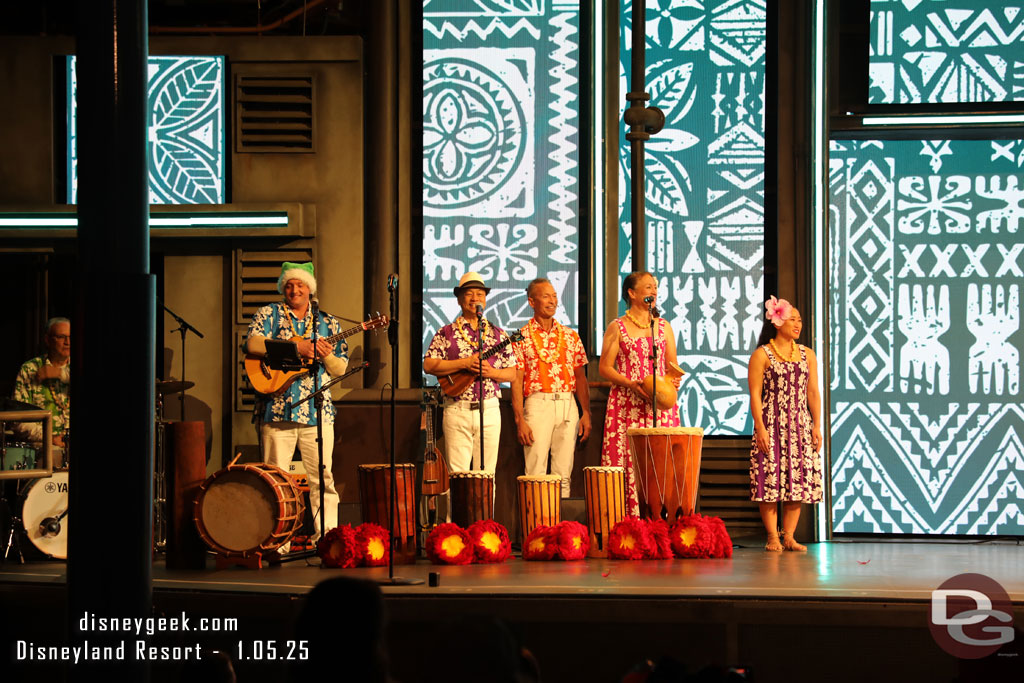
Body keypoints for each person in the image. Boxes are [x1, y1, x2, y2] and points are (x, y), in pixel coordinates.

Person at [245, 262, 348, 541]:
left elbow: (340, 369)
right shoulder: (270, 313)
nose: (294, 290)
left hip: (318, 414)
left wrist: (324, 354)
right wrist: (297, 347)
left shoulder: (328, 322)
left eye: (300, 284)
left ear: (310, 288)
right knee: (275, 480)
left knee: (323, 480)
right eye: (289, 285)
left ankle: (328, 538)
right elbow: (251, 344)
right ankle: (275, 539)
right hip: (277, 409)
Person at [599, 272, 681, 517]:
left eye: (655, 287)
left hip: (659, 405)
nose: (653, 291)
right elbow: (604, 367)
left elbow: (672, 366)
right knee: (628, 461)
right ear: (631, 293)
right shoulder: (618, 327)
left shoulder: (663, 326)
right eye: (647, 287)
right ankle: (626, 520)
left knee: (659, 462)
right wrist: (631, 384)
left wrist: (670, 383)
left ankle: (658, 519)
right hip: (627, 404)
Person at [747, 295, 823, 552]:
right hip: (771, 424)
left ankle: (789, 535)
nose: (798, 324)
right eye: (793, 319)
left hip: (799, 425)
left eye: (799, 320)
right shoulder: (762, 354)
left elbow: (813, 392)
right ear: (777, 321)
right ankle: (772, 536)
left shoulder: (807, 354)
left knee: (796, 481)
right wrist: (760, 427)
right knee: (769, 479)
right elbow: (755, 395)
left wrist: (816, 425)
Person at [424, 271, 517, 475]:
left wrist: (491, 372)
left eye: (480, 294)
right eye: (469, 294)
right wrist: (463, 363)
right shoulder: (446, 332)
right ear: (459, 299)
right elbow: (429, 365)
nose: (475, 298)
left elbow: (511, 373)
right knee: (458, 475)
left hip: (490, 409)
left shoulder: (497, 333)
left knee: (487, 474)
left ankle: (485, 509)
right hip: (457, 408)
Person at [511, 277, 591, 497]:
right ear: (531, 301)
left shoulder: (570, 335)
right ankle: (535, 528)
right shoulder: (520, 337)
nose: (552, 300)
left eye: (555, 296)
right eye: (546, 296)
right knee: (535, 473)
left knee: (563, 475)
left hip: (568, 404)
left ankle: (561, 529)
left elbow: (580, 377)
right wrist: (520, 420)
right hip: (538, 403)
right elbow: (516, 380)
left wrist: (585, 413)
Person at [13, 317, 71, 467]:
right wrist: (50, 437)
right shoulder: (30, 369)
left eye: (71, 337)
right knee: (51, 456)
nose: (67, 342)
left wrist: (58, 373)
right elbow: (19, 420)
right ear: (48, 340)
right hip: (44, 448)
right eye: (61, 337)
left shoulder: (79, 368)